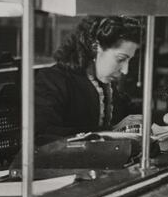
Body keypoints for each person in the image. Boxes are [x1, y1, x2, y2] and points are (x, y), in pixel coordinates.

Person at [35, 16, 143, 145]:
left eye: (129, 60)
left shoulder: (103, 83)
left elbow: (126, 112)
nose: (125, 70)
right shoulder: (53, 80)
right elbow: (43, 134)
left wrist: (164, 118)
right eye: (120, 59)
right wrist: (110, 132)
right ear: (95, 47)